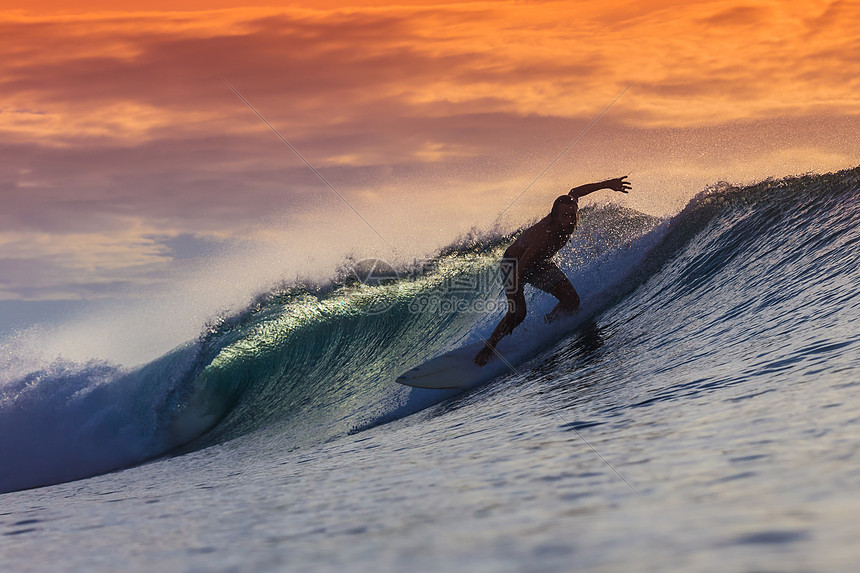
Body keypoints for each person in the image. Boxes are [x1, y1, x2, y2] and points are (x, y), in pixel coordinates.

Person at [474, 176, 631, 366]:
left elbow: (575, 191)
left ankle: (549, 324)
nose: (570, 219)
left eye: (572, 214)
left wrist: (607, 184)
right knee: (518, 314)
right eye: (564, 216)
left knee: (571, 301)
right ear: (555, 216)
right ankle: (489, 347)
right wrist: (515, 299)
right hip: (514, 264)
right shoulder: (545, 237)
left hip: (539, 262)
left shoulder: (570, 209)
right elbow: (520, 270)